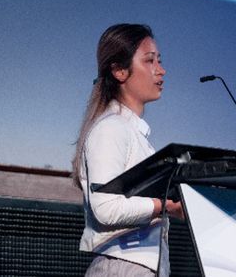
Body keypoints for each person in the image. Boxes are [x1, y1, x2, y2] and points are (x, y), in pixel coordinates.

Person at [72, 23, 182, 277]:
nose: (161, 70)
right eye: (150, 61)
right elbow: (106, 208)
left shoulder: (134, 133)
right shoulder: (111, 128)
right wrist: (165, 206)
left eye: (160, 61)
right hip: (122, 268)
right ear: (120, 71)